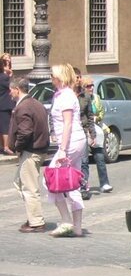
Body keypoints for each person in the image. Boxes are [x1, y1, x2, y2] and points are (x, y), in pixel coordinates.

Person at [47, 63, 87, 237]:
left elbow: (68, 123)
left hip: (71, 142)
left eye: (53, 75)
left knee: (51, 178)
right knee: (72, 182)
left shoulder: (66, 96)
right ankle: (77, 227)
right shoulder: (63, 94)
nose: (51, 78)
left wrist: (62, 149)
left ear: (60, 77)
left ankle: (66, 221)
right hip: (75, 141)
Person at [7, 77, 50, 233]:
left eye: (11, 90)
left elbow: (25, 132)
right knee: (19, 182)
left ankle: (36, 221)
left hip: (31, 151)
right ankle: (33, 215)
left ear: (17, 90)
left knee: (29, 187)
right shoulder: (36, 104)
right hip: (39, 150)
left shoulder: (23, 107)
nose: (10, 93)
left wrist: (17, 147)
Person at [82, 76, 112, 193]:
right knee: (84, 160)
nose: (92, 88)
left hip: (95, 130)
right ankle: (84, 185)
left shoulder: (96, 98)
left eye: (92, 85)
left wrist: (97, 117)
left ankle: (104, 183)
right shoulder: (81, 99)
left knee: (99, 156)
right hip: (84, 131)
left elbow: (101, 112)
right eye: (89, 86)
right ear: (83, 87)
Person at [0, 56, 15, 154]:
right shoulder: (4, 77)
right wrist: (10, 76)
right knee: (5, 127)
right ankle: (5, 146)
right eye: (6, 64)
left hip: (2, 104)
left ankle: (2, 146)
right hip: (4, 105)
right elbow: (11, 87)